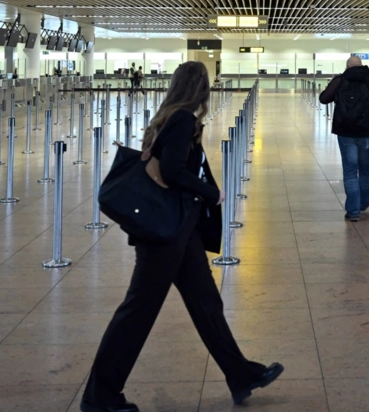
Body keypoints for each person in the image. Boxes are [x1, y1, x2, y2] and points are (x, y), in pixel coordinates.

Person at [81, 61, 283, 412]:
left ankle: (241, 374)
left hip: (180, 231)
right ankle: (100, 397)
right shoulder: (182, 119)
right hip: (165, 236)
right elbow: (172, 171)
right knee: (137, 313)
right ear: (200, 88)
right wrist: (211, 192)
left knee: (207, 304)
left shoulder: (170, 117)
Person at [318, 55, 369, 221]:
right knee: (365, 168)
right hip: (366, 132)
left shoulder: (340, 80)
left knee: (350, 171)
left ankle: (353, 211)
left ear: (347, 66)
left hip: (345, 132)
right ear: (362, 65)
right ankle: (363, 203)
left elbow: (324, 99)